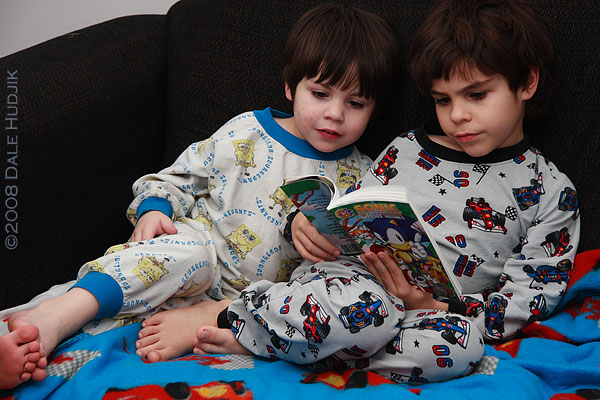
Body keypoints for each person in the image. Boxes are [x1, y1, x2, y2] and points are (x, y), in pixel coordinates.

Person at [0, 4, 402, 391]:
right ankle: (50, 319)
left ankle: (33, 350)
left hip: (247, 306)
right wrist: (153, 211)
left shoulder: (362, 174)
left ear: (373, 110)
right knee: (178, 255)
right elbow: (177, 178)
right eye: (320, 93)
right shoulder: (247, 133)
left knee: (125, 320)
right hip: (192, 260)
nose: (335, 114)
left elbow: (354, 258)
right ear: (290, 86)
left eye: (355, 103)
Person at [189, 0, 580, 385]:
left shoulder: (551, 191)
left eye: (477, 95)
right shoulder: (406, 149)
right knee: (363, 312)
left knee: (459, 351)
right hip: (349, 284)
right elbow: (349, 216)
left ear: (527, 83)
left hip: (429, 312)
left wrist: (433, 305)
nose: (457, 115)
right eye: (443, 99)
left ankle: (279, 341)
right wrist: (303, 226)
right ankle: (233, 314)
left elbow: (530, 296)